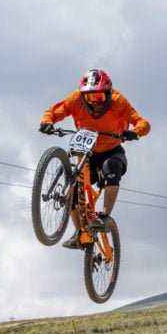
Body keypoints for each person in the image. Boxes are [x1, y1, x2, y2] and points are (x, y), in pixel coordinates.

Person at [39, 69, 151, 249]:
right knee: (73, 189)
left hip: (112, 150)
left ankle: (104, 217)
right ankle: (79, 233)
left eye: (99, 97)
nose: (94, 102)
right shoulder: (76, 99)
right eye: (90, 97)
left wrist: (135, 132)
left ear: (108, 93)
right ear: (83, 95)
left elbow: (142, 122)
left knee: (111, 168)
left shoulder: (118, 101)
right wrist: (47, 122)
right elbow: (54, 111)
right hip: (86, 153)